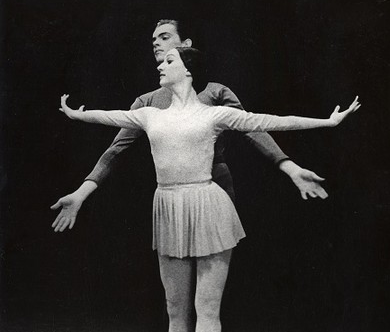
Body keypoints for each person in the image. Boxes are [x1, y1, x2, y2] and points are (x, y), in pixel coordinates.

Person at [58, 46, 360, 332]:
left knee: (208, 308)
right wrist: (77, 114)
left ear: (188, 69)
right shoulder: (149, 113)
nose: (160, 65)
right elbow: (109, 124)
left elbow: (268, 122)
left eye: (168, 60)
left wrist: (327, 122)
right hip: (168, 206)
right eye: (160, 60)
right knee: (175, 307)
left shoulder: (214, 112)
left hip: (209, 205)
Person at [51, 19, 329, 234]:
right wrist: (80, 193)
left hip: (215, 185)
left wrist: (290, 168)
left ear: (186, 45)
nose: (156, 44)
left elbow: (253, 128)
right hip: (172, 194)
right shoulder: (147, 103)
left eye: (165, 37)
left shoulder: (216, 92)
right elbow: (115, 151)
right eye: (153, 40)